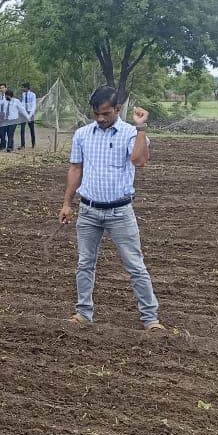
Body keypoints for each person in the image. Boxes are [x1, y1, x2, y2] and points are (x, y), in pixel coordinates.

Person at [58, 86, 164, 332]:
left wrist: (140, 128)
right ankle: (83, 313)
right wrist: (67, 203)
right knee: (85, 263)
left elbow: (140, 160)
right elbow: (75, 169)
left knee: (135, 265)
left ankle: (150, 319)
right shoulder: (83, 134)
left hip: (120, 212)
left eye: (106, 113)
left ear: (118, 109)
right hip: (89, 210)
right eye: (96, 113)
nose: (101, 118)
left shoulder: (131, 133)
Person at [19, 82, 37, 149]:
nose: (22, 88)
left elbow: (33, 106)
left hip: (30, 113)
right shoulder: (23, 94)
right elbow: (23, 104)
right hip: (24, 113)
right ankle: (22, 145)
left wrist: (29, 115)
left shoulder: (33, 95)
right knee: (22, 129)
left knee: (31, 129)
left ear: (26, 88)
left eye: (23, 87)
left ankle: (33, 143)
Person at [0, 84, 9, 149]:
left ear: (6, 88)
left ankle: (2, 144)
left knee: (3, 130)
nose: (1, 89)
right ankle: (4, 140)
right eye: (0, 88)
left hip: (5, 116)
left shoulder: (9, 97)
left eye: (3, 88)